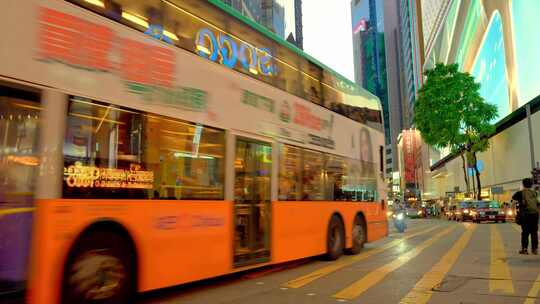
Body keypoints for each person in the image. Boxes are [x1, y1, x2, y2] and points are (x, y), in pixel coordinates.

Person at [512, 178, 539, 255]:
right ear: (531, 184)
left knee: (525, 232)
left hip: (525, 215)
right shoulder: (535, 193)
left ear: (523, 184)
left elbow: (513, 198)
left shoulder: (520, 193)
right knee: (534, 232)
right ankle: (535, 249)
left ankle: (525, 249)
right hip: (535, 214)